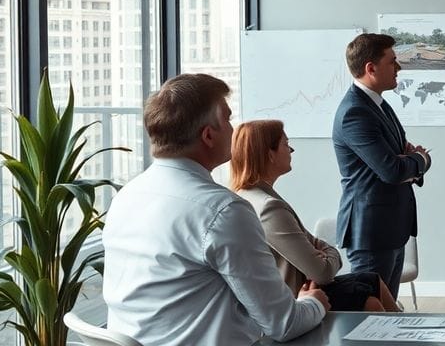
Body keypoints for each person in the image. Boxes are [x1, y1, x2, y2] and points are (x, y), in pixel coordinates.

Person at [103, 74, 329, 345]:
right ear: (208, 136)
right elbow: (283, 323)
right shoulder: (223, 211)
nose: (234, 130)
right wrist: (313, 303)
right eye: (228, 119)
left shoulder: (126, 196)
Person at [231, 119, 402, 313]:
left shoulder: (254, 196)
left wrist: (322, 253)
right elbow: (321, 273)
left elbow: (311, 242)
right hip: (295, 297)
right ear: (270, 154)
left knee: (371, 280)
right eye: (286, 145)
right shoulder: (269, 208)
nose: (291, 151)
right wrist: (331, 253)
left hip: (300, 287)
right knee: (366, 299)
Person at [333, 33, 432, 298]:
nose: (399, 67)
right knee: (372, 320)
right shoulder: (355, 113)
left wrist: (409, 160)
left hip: (390, 229)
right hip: (372, 233)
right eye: (393, 61)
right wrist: (419, 160)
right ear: (371, 68)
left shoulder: (378, 104)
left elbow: (401, 158)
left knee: (387, 316)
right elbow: (392, 170)